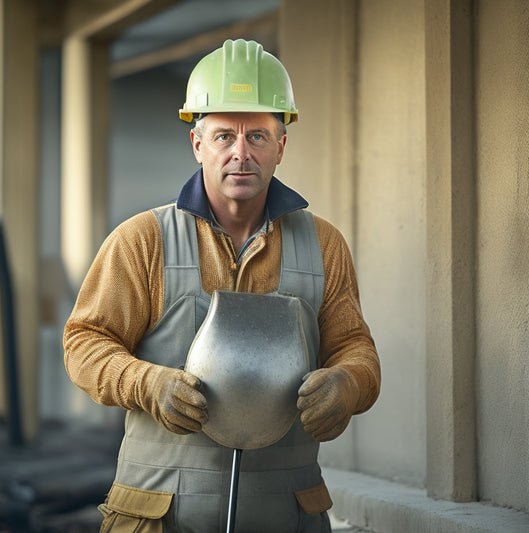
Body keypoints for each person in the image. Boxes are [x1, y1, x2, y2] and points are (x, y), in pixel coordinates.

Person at [63, 38, 380, 533]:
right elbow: (84, 343)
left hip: (284, 515)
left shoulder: (323, 245)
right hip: (159, 515)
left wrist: (348, 383)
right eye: (223, 137)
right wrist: (149, 384)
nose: (240, 153)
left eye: (257, 136)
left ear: (281, 145)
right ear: (197, 145)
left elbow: (354, 347)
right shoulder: (142, 240)